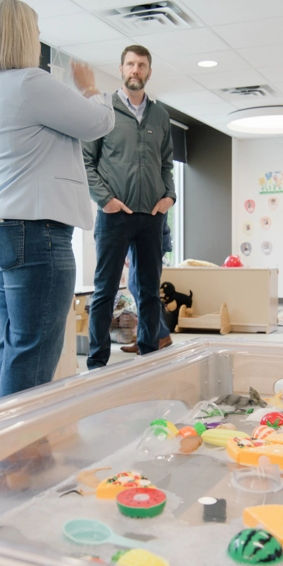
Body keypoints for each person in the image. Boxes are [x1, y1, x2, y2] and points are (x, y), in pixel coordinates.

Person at [0, 0, 115, 399]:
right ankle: (16, 455)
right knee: (33, 350)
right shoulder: (29, 81)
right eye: (34, 32)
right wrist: (90, 89)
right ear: (21, 36)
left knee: (12, 342)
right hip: (33, 230)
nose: (37, 40)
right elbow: (98, 122)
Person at [84, 45, 175, 369]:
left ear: (148, 71)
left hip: (151, 216)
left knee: (149, 292)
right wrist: (105, 200)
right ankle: (97, 363)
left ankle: (149, 358)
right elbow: (86, 161)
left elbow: (166, 164)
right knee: (104, 292)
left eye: (142, 65)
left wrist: (169, 197)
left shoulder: (160, 115)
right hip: (114, 216)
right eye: (130, 64)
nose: (136, 70)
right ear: (121, 69)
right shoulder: (104, 110)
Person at [121, 219, 174, 353]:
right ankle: (146, 337)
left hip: (150, 237)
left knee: (142, 288)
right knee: (136, 287)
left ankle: (159, 335)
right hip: (139, 238)